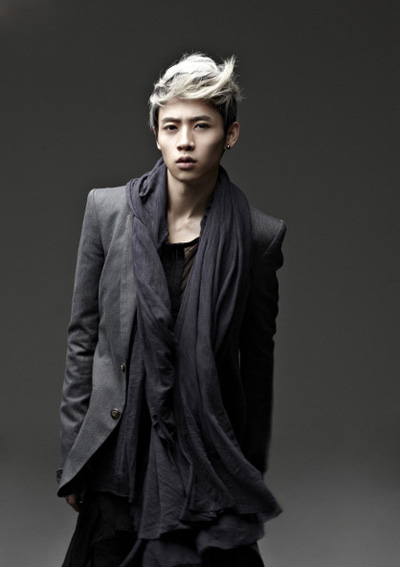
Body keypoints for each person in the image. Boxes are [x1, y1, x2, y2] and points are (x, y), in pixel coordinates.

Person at [57, 53, 286, 567]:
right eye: (172, 126)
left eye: (201, 125)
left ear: (230, 135)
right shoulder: (107, 211)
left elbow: (255, 368)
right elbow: (83, 340)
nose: (185, 141)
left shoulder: (259, 237)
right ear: (157, 135)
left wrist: (245, 469)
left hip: (205, 459)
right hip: (116, 454)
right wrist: (74, 455)